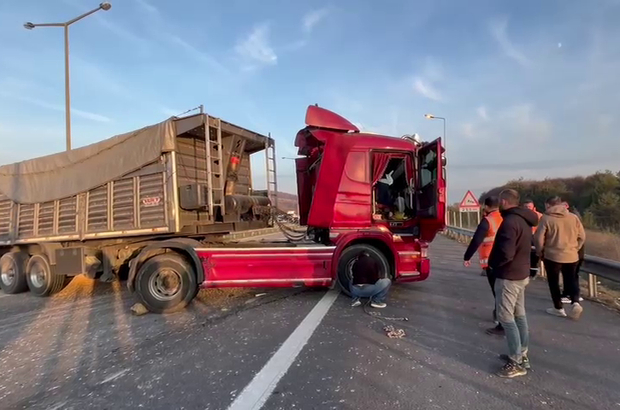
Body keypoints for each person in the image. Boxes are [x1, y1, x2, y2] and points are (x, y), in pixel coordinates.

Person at [489, 189, 539, 378]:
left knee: (506, 317)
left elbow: (506, 253)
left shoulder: (509, 222)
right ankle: (521, 354)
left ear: (504, 201)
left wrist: (494, 266)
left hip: (509, 276)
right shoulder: (525, 220)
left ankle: (515, 361)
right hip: (521, 273)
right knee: (519, 315)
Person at [534, 197, 586, 319]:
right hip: (571, 255)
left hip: (552, 256)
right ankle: (575, 302)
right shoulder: (573, 218)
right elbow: (582, 236)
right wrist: (575, 248)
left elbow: (538, 238)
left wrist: (540, 251)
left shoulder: (546, 218)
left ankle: (558, 308)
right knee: (571, 279)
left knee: (554, 282)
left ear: (548, 205)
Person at [463, 196, 504, 335]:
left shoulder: (487, 221)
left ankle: (501, 322)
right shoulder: (505, 217)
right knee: (502, 291)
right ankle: (500, 315)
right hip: (506, 259)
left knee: (497, 292)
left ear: (486, 206)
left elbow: (476, 240)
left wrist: (467, 256)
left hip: (491, 260)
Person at [522, 199, 543, 279]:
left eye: (529, 207)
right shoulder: (521, 216)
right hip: (525, 238)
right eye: (526, 207)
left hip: (535, 238)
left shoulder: (539, 216)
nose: (528, 208)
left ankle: (533, 273)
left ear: (533, 207)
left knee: (534, 257)